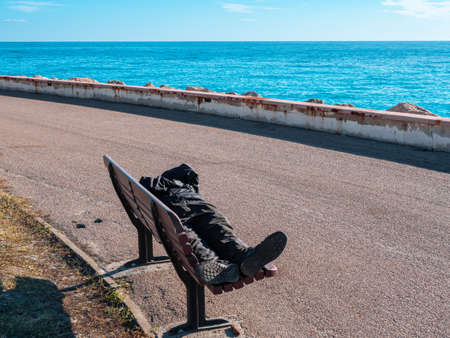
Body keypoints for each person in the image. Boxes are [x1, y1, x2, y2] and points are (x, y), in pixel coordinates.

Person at [139, 163, 287, 285]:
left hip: (170, 213)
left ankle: (217, 263)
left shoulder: (151, 192)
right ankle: (243, 255)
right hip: (191, 204)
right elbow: (190, 178)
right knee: (217, 227)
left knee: (190, 237)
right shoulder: (177, 183)